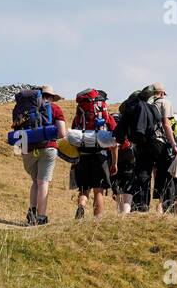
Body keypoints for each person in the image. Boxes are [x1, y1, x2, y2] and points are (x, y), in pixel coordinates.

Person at [13, 85, 67, 226]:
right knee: (43, 182)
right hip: (48, 147)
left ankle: (32, 213)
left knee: (35, 182)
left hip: (27, 147)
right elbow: (62, 133)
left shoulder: (23, 108)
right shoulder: (55, 108)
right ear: (52, 97)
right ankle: (41, 217)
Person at [130, 83, 177, 213]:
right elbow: (166, 124)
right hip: (158, 142)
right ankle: (168, 208)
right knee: (166, 175)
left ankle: (140, 208)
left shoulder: (141, 104)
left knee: (143, 174)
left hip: (141, 143)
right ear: (161, 93)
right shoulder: (164, 103)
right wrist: (174, 144)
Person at [68, 88, 116, 220]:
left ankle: (81, 206)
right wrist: (114, 163)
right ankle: (97, 221)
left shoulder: (80, 114)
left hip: (83, 155)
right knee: (98, 190)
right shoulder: (106, 115)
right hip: (100, 155)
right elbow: (115, 137)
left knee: (84, 189)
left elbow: (74, 135)